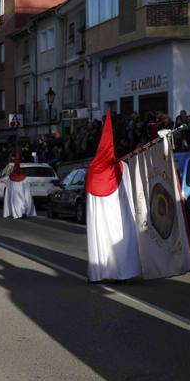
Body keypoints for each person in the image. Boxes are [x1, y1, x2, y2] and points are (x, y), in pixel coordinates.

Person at [84, 111, 142, 282]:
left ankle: (100, 271)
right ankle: (123, 272)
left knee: (101, 234)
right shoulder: (122, 167)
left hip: (102, 216)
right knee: (119, 237)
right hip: (118, 215)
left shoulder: (93, 170)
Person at [2, 153, 37, 219]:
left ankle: (19, 213)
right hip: (21, 193)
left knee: (16, 202)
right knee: (21, 201)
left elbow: (8, 189)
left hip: (16, 193)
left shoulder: (11, 177)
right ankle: (22, 212)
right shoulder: (22, 178)